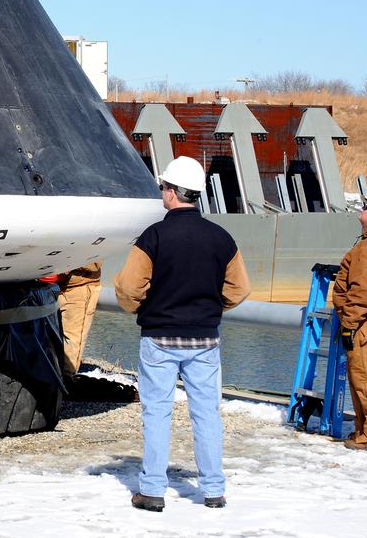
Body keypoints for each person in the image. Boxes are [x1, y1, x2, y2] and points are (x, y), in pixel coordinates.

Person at [114, 156, 251, 512]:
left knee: (157, 413)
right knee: (206, 414)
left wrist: (142, 310)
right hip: (205, 340)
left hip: (159, 338)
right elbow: (239, 289)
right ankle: (213, 490)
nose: (162, 191)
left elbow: (129, 288)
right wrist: (210, 308)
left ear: (173, 192)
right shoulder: (221, 238)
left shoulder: (154, 236)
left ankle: (153, 491)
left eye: (163, 187)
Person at [331, 187, 367, 453]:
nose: (361, 212)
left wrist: (350, 324)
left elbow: (363, 289)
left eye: (366, 208)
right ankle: (366, 434)